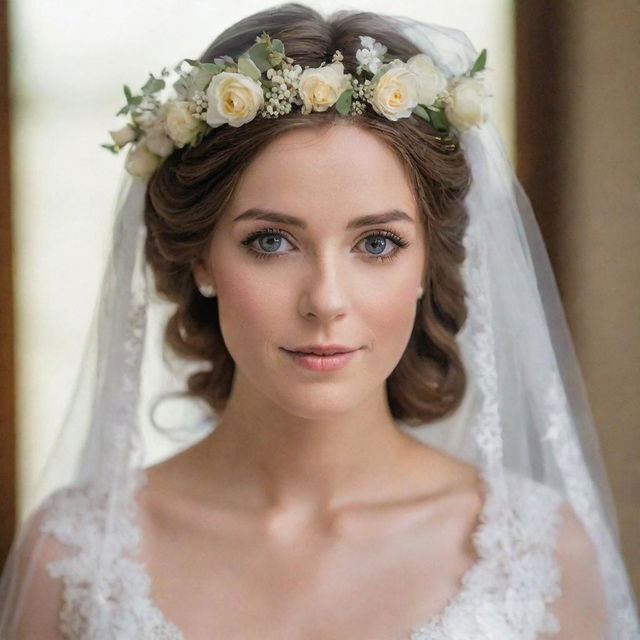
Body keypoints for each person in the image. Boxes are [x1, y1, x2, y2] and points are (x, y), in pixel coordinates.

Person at [0, 3, 638, 638]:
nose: (326, 300)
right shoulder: (73, 557)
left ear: (425, 265)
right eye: (272, 241)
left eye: (378, 243)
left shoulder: (541, 556)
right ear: (201, 260)